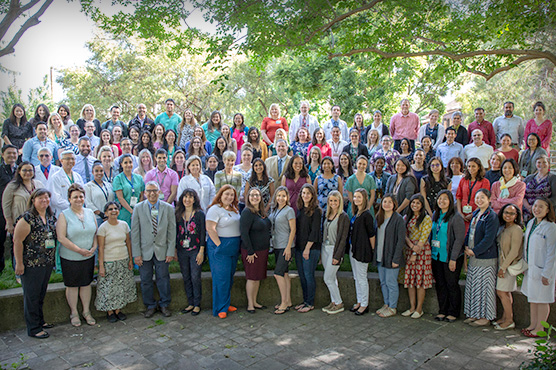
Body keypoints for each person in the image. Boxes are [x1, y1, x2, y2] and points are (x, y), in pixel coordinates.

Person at [13, 188, 57, 338]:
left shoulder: (50, 216)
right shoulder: (27, 218)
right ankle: (33, 328)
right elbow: (17, 242)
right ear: (33, 200)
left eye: (46, 198)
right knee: (31, 296)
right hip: (31, 264)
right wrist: (19, 264)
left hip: (46, 262)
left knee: (40, 294)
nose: (44, 201)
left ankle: (40, 321)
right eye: (40, 198)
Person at [131, 181, 176, 318]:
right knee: (145, 279)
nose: (151, 193)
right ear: (145, 193)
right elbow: (135, 232)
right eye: (149, 191)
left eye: (154, 190)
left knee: (163, 278)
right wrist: (136, 254)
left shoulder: (168, 208)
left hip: (162, 250)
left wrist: (170, 251)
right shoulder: (138, 208)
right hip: (145, 251)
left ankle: (164, 304)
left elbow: (171, 231)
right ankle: (150, 305)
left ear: (159, 192)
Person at [56, 184, 98, 327]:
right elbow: (61, 238)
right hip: (71, 257)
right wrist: (79, 250)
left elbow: (95, 233)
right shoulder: (64, 215)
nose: (79, 199)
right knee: (73, 285)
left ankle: (86, 311)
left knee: (86, 283)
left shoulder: (90, 213)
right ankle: (74, 312)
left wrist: (94, 247)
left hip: (88, 255)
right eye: (75, 197)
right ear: (69, 199)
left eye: (81, 196)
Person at [95, 202, 137, 322]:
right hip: (109, 261)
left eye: (115, 208)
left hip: (123, 260)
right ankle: (110, 312)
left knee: (121, 287)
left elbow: (128, 243)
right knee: (109, 288)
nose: (113, 211)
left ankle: (118, 310)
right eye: (110, 209)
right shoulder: (103, 228)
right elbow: (101, 248)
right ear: (106, 212)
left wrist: (130, 259)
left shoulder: (124, 225)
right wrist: (101, 265)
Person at [463, 189, 498, 327]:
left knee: (485, 288)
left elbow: (489, 239)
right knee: (474, 286)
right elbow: (470, 232)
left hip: (485, 258)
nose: (479, 200)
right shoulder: (477, 213)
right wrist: (465, 246)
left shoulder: (491, 216)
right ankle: (474, 314)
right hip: (473, 257)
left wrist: (475, 251)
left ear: (489, 199)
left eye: (482, 197)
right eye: (477, 198)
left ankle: (486, 316)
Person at [521, 198, 556, 337]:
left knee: (542, 299)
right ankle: (532, 324)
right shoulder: (531, 223)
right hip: (531, 268)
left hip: (543, 269)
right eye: (535, 206)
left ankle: (540, 329)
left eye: (541, 207)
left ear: (548, 210)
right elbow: (526, 247)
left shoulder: (551, 227)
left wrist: (547, 273)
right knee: (532, 297)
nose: (537, 209)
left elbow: (552, 252)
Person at [205, 185, 241, 318]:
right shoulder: (214, 209)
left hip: (234, 246)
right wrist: (220, 245)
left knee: (229, 277)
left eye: (232, 195)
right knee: (221, 278)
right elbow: (210, 228)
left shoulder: (235, 209)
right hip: (220, 246)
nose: (229, 197)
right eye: (226, 194)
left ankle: (225, 303)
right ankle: (220, 308)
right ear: (220, 195)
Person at [430, 190, 465, 322]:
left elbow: (459, 239)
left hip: (450, 257)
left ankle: (453, 311)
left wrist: (453, 259)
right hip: (436, 256)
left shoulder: (456, 217)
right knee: (440, 284)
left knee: (451, 284)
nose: (442, 201)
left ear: (451, 201)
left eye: (445, 199)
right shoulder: (436, 214)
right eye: (439, 198)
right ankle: (442, 310)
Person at [175, 189, 205, 316]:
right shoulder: (177, 213)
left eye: (190, 197)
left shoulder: (199, 214)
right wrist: (175, 250)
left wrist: (201, 251)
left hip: (195, 250)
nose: (187, 199)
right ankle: (190, 303)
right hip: (182, 250)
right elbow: (175, 233)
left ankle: (197, 304)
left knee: (195, 277)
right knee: (186, 277)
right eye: (185, 197)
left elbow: (203, 233)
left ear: (194, 199)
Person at [493, 204, 524, 331]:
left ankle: (510, 320)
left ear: (516, 216)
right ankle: (505, 317)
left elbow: (514, 251)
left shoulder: (516, 229)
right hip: (501, 264)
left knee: (501, 292)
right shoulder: (503, 227)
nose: (508, 215)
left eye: (511, 213)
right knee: (505, 292)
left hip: (508, 266)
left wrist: (503, 267)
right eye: (506, 212)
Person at [375, 194, 406, 318]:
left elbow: (400, 240)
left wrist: (396, 258)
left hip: (392, 256)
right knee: (383, 282)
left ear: (394, 204)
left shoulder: (398, 219)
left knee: (391, 282)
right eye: (384, 201)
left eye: (389, 202)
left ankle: (393, 307)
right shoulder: (379, 217)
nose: (386, 204)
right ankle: (386, 304)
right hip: (380, 256)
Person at [401, 195, 432, 319]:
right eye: (413, 202)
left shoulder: (426, 219)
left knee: (420, 281)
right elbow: (404, 235)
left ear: (422, 205)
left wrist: (415, 252)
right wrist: (411, 247)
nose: (415, 205)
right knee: (410, 281)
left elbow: (424, 238)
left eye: (418, 203)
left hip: (422, 252)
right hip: (410, 249)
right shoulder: (407, 217)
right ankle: (412, 307)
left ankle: (419, 309)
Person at [240, 188, 271, 313]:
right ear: (248, 198)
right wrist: (250, 251)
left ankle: (255, 301)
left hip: (262, 251)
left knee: (257, 277)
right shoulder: (247, 212)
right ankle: (250, 304)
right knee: (252, 278)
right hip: (252, 252)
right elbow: (244, 233)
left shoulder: (260, 212)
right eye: (252, 195)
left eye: (257, 195)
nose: (255, 197)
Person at [319, 191, 349, 314]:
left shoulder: (343, 217)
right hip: (325, 248)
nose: (333, 203)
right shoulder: (326, 214)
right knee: (332, 278)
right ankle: (333, 303)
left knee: (327, 278)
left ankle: (339, 302)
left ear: (340, 201)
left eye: (335, 201)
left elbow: (343, 239)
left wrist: (337, 255)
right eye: (331, 201)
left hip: (334, 250)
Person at [294, 184, 322, 313]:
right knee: (302, 276)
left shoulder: (316, 210)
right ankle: (305, 301)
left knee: (308, 275)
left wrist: (307, 248)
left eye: (308, 193)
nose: (305, 195)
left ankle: (310, 303)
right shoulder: (299, 209)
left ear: (312, 195)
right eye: (303, 193)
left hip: (311, 248)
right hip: (299, 248)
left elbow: (315, 231)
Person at [347, 189, 375, 316]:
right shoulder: (356, 213)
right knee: (356, 277)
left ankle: (364, 304)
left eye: (359, 197)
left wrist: (372, 250)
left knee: (362, 278)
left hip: (363, 250)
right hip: (354, 248)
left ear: (364, 199)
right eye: (355, 197)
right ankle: (359, 301)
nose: (356, 199)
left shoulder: (367, 215)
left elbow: (371, 234)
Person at [269, 186, 296, 314]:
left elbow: (293, 230)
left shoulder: (289, 210)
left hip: (286, 247)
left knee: (278, 273)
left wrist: (288, 247)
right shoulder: (274, 210)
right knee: (284, 274)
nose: (281, 198)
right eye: (278, 196)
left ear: (287, 198)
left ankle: (284, 303)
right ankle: (288, 300)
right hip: (276, 245)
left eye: (283, 196)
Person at [2, 162, 45, 237]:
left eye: (30, 170)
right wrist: (9, 222)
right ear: (19, 171)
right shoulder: (12, 186)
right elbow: (6, 205)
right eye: (24, 170)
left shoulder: (39, 184)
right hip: (19, 222)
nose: (27, 173)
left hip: (37, 222)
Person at [47, 151, 84, 217]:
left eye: (72, 159)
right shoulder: (55, 177)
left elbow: (83, 194)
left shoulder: (77, 176)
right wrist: (71, 205)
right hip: (63, 212)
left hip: (78, 211)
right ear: (61, 161)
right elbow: (55, 199)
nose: (70, 161)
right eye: (67, 159)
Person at [456, 157, 490, 229]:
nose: (471, 168)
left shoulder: (485, 182)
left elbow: (485, 200)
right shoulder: (463, 180)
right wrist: (460, 212)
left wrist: (473, 214)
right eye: (469, 166)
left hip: (477, 212)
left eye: (473, 166)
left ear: (478, 167)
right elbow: (458, 197)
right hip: (462, 213)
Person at [113, 154, 145, 226]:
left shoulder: (139, 178)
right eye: (125, 163)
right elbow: (120, 198)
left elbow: (141, 195)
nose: (128, 165)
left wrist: (137, 210)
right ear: (121, 164)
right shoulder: (118, 179)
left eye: (130, 162)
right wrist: (131, 211)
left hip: (137, 211)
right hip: (124, 211)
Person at [523, 155, 556, 222]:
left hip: (546, 214)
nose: (541, 164)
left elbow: (555, 198)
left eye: (544, 162)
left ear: (548, 164)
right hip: (528, 213)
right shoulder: (529, 178)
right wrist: (529, 207)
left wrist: (540, 208)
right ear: (535, 164)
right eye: (539, 162)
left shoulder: (553, 178)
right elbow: (522, 195)